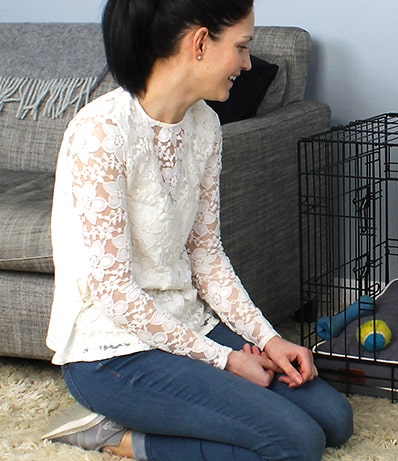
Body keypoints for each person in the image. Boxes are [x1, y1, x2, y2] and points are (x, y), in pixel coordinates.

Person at [42, 0, 353, 459]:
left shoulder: (205, 124)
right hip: (111, 353)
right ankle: (118, 436)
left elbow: (206, 255)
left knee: (334, 421)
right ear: (200, 43)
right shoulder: (101, 132)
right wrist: (227, 360)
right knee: (296, 443)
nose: (247, 64)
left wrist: (269, 339)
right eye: (242, 47)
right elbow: (115, 293)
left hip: (186, 324)